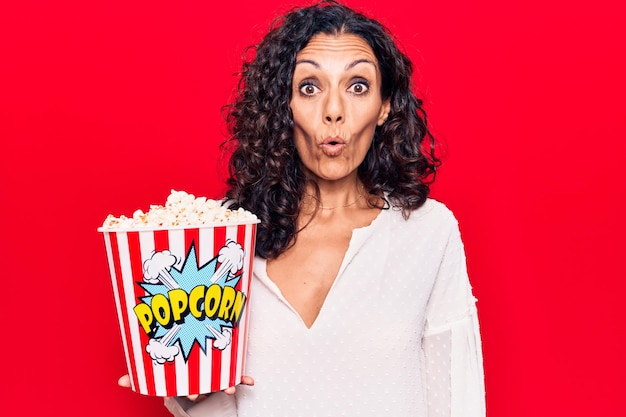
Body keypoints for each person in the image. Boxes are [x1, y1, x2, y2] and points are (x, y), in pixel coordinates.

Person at [120, 1, 485, 415]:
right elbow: (218, 406)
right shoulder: (222, 236)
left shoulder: (427, 232)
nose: (334, 111)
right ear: (284, 105)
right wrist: (186, 386)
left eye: (358, 86)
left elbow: (457, 397)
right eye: (309, 87)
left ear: (385, 106)